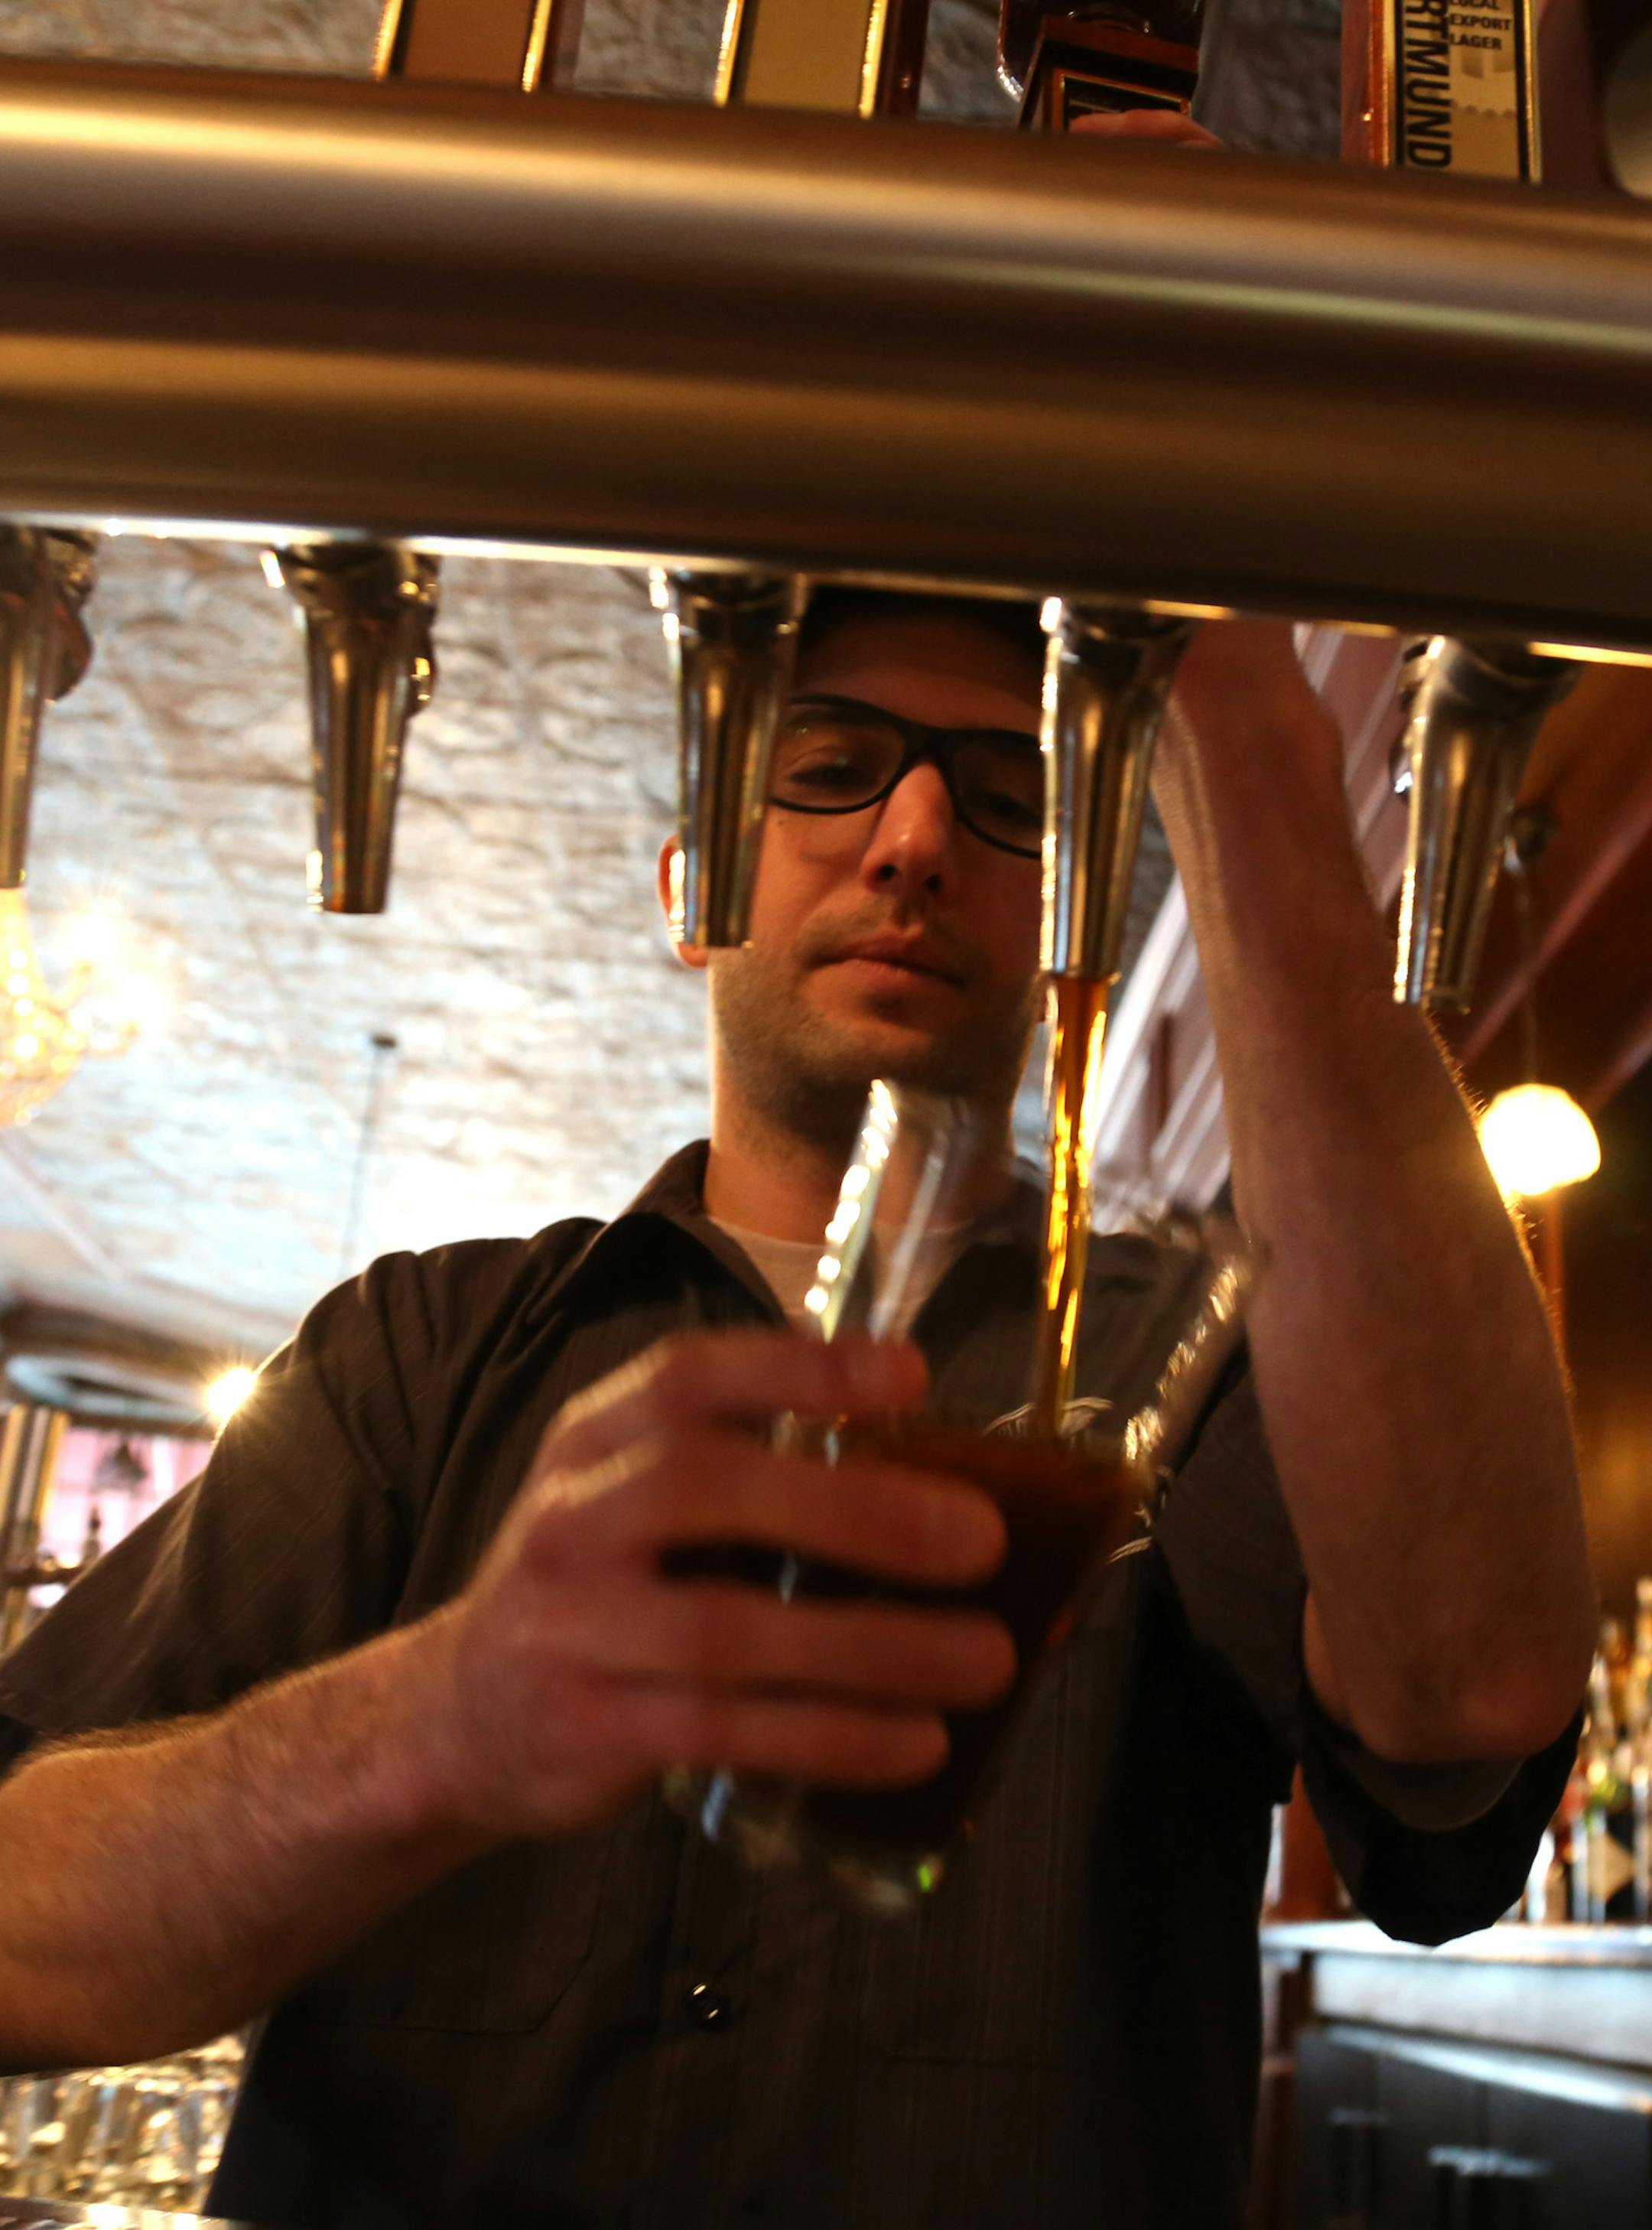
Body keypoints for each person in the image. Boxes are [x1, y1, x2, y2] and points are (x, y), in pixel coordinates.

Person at [0, 569, 1594, 2228]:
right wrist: (438, 1718)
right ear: (695, 885)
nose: (913, 840)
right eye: (829, 766)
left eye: (1005, 801)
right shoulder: (417, 1353)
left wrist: (1241, 723)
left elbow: (1469, 1709)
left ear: (1066, 924)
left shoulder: (1190, 1371)